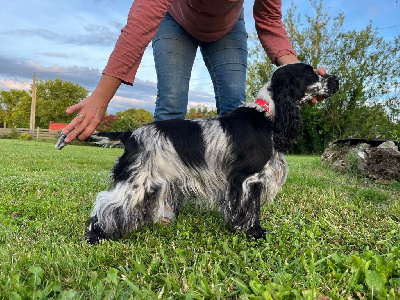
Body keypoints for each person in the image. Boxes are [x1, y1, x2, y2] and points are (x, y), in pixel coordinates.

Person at [62, 0, 325, 224]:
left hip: (228, 26)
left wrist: (300, 79)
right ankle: (165, 195)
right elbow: (140, 24)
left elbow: (269, 19)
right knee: (171, 102)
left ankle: (235, 198)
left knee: (235, 105)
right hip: (174, 19)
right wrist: (101, 96)